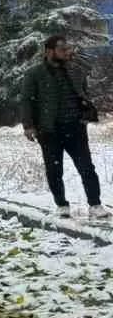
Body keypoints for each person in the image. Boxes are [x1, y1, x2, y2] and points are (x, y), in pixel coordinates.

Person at [20, 33, 106, 220]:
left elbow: (83, 94)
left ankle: (95, 204)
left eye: (68, 48)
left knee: (86, 167)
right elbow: (26, 100)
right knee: (54, 169)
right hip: (49, 129)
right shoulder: (35, 73)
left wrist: (85, 115)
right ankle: (61, 204)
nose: (67, 52)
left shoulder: (75, 70)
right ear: (49, 51)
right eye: (62, 49)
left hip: (75, 127)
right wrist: (28, 125)